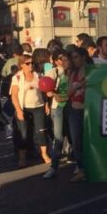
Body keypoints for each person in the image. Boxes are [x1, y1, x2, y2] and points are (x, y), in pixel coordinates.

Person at [10, 54, 51, 168]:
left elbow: (43, 91)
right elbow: (14, 95)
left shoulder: (38, 75)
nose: (31, 65)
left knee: (42, 131)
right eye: (28, 63)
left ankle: (44, 154)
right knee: (23, 133)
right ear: (22, 65)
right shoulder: (17, 77)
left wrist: (46, 104)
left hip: (38, 106)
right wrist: (18, 110)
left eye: (32, 63)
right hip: (24, 107)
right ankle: (22, 157)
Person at [43, 49, 70, 179]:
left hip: (72, 107)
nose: (64, 62)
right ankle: (53, 167)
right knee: (58, 138)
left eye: (67, 59)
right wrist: (53, 94)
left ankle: (78, 164)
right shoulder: (53, 72)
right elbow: (46, 90)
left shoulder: (74, 72)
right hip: (58, 108)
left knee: (74, 137)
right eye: (61, 59)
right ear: (56, 61)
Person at [68, 48, 92, 182]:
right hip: (75, 109)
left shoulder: (92, 70)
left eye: (76, 57)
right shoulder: (73, 72)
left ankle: (90, 167)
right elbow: (69, 92)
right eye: (73, 58)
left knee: (89, 139)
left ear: (83, 57)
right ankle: (81, 168)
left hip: (88, 109)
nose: (74, 60)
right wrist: (79, 86)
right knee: (76, 141)